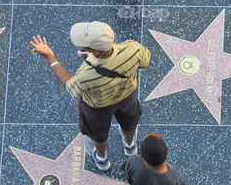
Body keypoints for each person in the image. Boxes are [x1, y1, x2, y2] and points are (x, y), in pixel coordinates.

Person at [29, 22, 150, 172]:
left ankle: (102, 159)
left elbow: (72, 88)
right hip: (128, 96)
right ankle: (130, 145)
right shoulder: (134, 48)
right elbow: (145, 61)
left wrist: (51, 57)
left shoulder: (87, 74)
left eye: (85, 47)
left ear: (96, 52)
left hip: (98, 108)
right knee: (130, 123)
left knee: (98, 134)